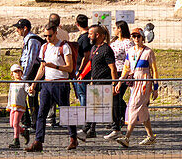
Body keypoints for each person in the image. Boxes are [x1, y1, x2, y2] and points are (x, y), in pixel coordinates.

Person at [25, 20, 78, 152]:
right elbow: (42, 68)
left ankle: (73, 137)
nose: (48, 38)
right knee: (41, 113)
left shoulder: (64, 47)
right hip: (47, 83)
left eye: (50, 36)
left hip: (60, 83)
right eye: (46, 36)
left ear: (56, 33)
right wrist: (34, 83)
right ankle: (38, 140)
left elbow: (70, 67)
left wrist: (55, 66)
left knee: (65, 112)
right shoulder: (44, 48)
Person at [115, 26, 158, 148]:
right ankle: (150, 136)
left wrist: (156, 87)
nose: (136, 38)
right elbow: (126, 69)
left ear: (143, 38)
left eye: (138, 36)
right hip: (134, 83)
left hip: (144, 83)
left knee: (133, 106)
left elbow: (154, 70)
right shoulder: (130, 52)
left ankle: (127, 137)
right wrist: (119, 82)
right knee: (142, 109)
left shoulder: (148, 52)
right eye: (133, 36)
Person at [79, 24, 117, 140]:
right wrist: (87, 77)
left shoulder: (106, 50)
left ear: (97, 35)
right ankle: (90, 130)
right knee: (95, 108)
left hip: (104, 83)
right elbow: (92, 65)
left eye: (90, 34)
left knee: (97, 107)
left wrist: (114, 84)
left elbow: (113, 68)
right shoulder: (94, 48)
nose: (89, 36)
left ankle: (86, 130)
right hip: (95, 82)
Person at [108, 20, 133, 139]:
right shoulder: (114, 41)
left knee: (116, 97)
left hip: (122, 73)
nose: (113, 29)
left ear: (120, 29)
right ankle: (125, 115)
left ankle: (116, 124)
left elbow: (130, 59)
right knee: (114, 97)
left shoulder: (127, 43)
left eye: (115, 27)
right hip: (112, 72)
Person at [6, 62, 28, 149]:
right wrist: (8, 105)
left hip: (20, 106)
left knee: (15, 123)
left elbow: (28, 92)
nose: (18, 73)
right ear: (12, 74)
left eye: (19, 71)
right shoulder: (12, 83)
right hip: (13, 105)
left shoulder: (24, 83)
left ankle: (16, 140)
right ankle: (23, 131)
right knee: (12, 124)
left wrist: (30, 91)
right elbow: (10, 95)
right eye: (15, 72)